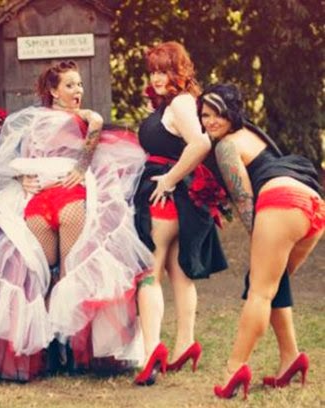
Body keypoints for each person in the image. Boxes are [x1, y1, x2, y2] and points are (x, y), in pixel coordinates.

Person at [0, 60, 153, 382]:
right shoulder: (52, 120)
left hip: (65, 201)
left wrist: (72, 169)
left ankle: (55, 351)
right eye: (70, 85)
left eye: (79, 84)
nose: (78, 91)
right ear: (52, 90)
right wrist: (27, 175)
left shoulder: (64, 119)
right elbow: (9, 163)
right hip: (44, 201)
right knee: (54, 273)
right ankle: (65, 352)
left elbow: (10, 159)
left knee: (55, 274)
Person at [198, 84, 323, 399]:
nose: (209, 122)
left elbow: (244, 201)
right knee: (273, 280)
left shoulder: (226, 146)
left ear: (231, 113)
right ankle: (290, 358)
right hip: (313, 203)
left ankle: (233, 369)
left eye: (216, 114)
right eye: (204, 115)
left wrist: (261, 240)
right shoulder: (254, 135)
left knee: (259, 289)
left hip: (280, 201)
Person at [133, 41, 228, 385]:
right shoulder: (172, 104)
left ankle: (150, 352)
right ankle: (185, 344)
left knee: (148, 273)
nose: (157, 77)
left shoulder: (183, 102)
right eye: (154, 71)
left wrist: (170, 179)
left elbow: (201, 143)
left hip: (165, 198)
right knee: (177, 272)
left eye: (165, 70)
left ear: (180, 71)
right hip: (174, 201)